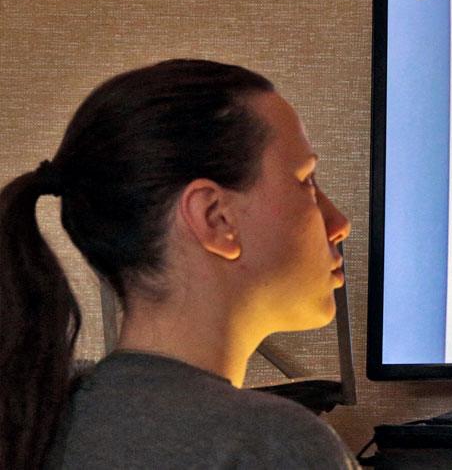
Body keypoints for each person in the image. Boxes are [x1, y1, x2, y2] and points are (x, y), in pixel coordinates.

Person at [0, 60, 357, 468]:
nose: (339, 225)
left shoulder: (40, 426)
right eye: (306, 182)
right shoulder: (270, 445)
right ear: (214, 218)